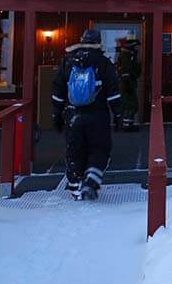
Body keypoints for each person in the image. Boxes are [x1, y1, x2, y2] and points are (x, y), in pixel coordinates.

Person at [51, 29, 121, 201]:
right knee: (99, 149)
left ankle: (75, 187)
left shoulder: (68, 62)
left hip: (73, 115)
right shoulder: (104, 63)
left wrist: (57, 114)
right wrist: (118, 115)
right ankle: (91, 180)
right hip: (98, 116)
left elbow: (58, 91)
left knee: (75, 151)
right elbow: (113, 93)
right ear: (98, 43)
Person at [116, 33, 142, 131]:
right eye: (135, 46)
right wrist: (128, 84)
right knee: (130, 104)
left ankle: (126, 124)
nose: (137, 48)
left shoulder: (127, 55)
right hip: (127, 83)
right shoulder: (127, 56)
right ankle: (126, 125)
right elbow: (125, 71)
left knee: (129, 104)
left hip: (128, 82)